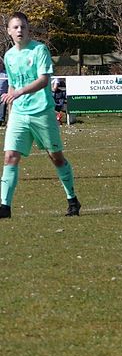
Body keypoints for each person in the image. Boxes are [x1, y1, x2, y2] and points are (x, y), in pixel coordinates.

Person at [0, 12, 81, 219]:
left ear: (28, 29)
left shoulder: (39, 50)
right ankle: (4, 206)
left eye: (23, 26)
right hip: (19, 114)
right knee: (10, 156)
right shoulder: (9, 56)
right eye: (15, 27)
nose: (20, 30)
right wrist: (10, 101)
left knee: (56, 158)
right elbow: (12, 84)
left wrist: (18, 92)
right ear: (9, 31)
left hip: (42, 112)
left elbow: (44, 80)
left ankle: (72, 199)